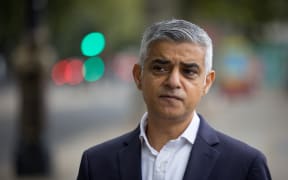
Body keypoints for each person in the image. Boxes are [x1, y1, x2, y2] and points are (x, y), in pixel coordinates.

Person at [77, 19, 271, 180]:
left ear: (207, 82)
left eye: (189, 71)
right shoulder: (96, 164)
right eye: (160, 68)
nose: (173, 81)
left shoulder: (245, 166)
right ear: (138, 76)